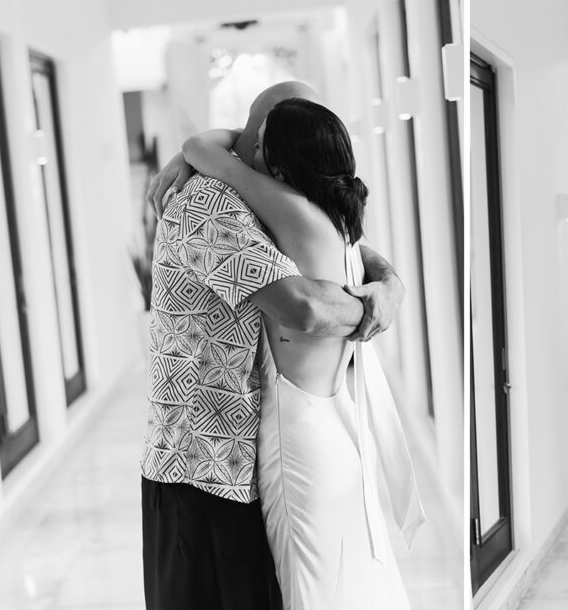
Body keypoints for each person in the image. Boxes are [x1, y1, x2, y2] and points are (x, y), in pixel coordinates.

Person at [140, 82, 406, 610]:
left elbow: (345, 247)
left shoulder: (262, 197)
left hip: (242, 462)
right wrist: (374, 307)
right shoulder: (207, 203)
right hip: (200, 464)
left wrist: (390, 283)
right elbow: (304, 305)